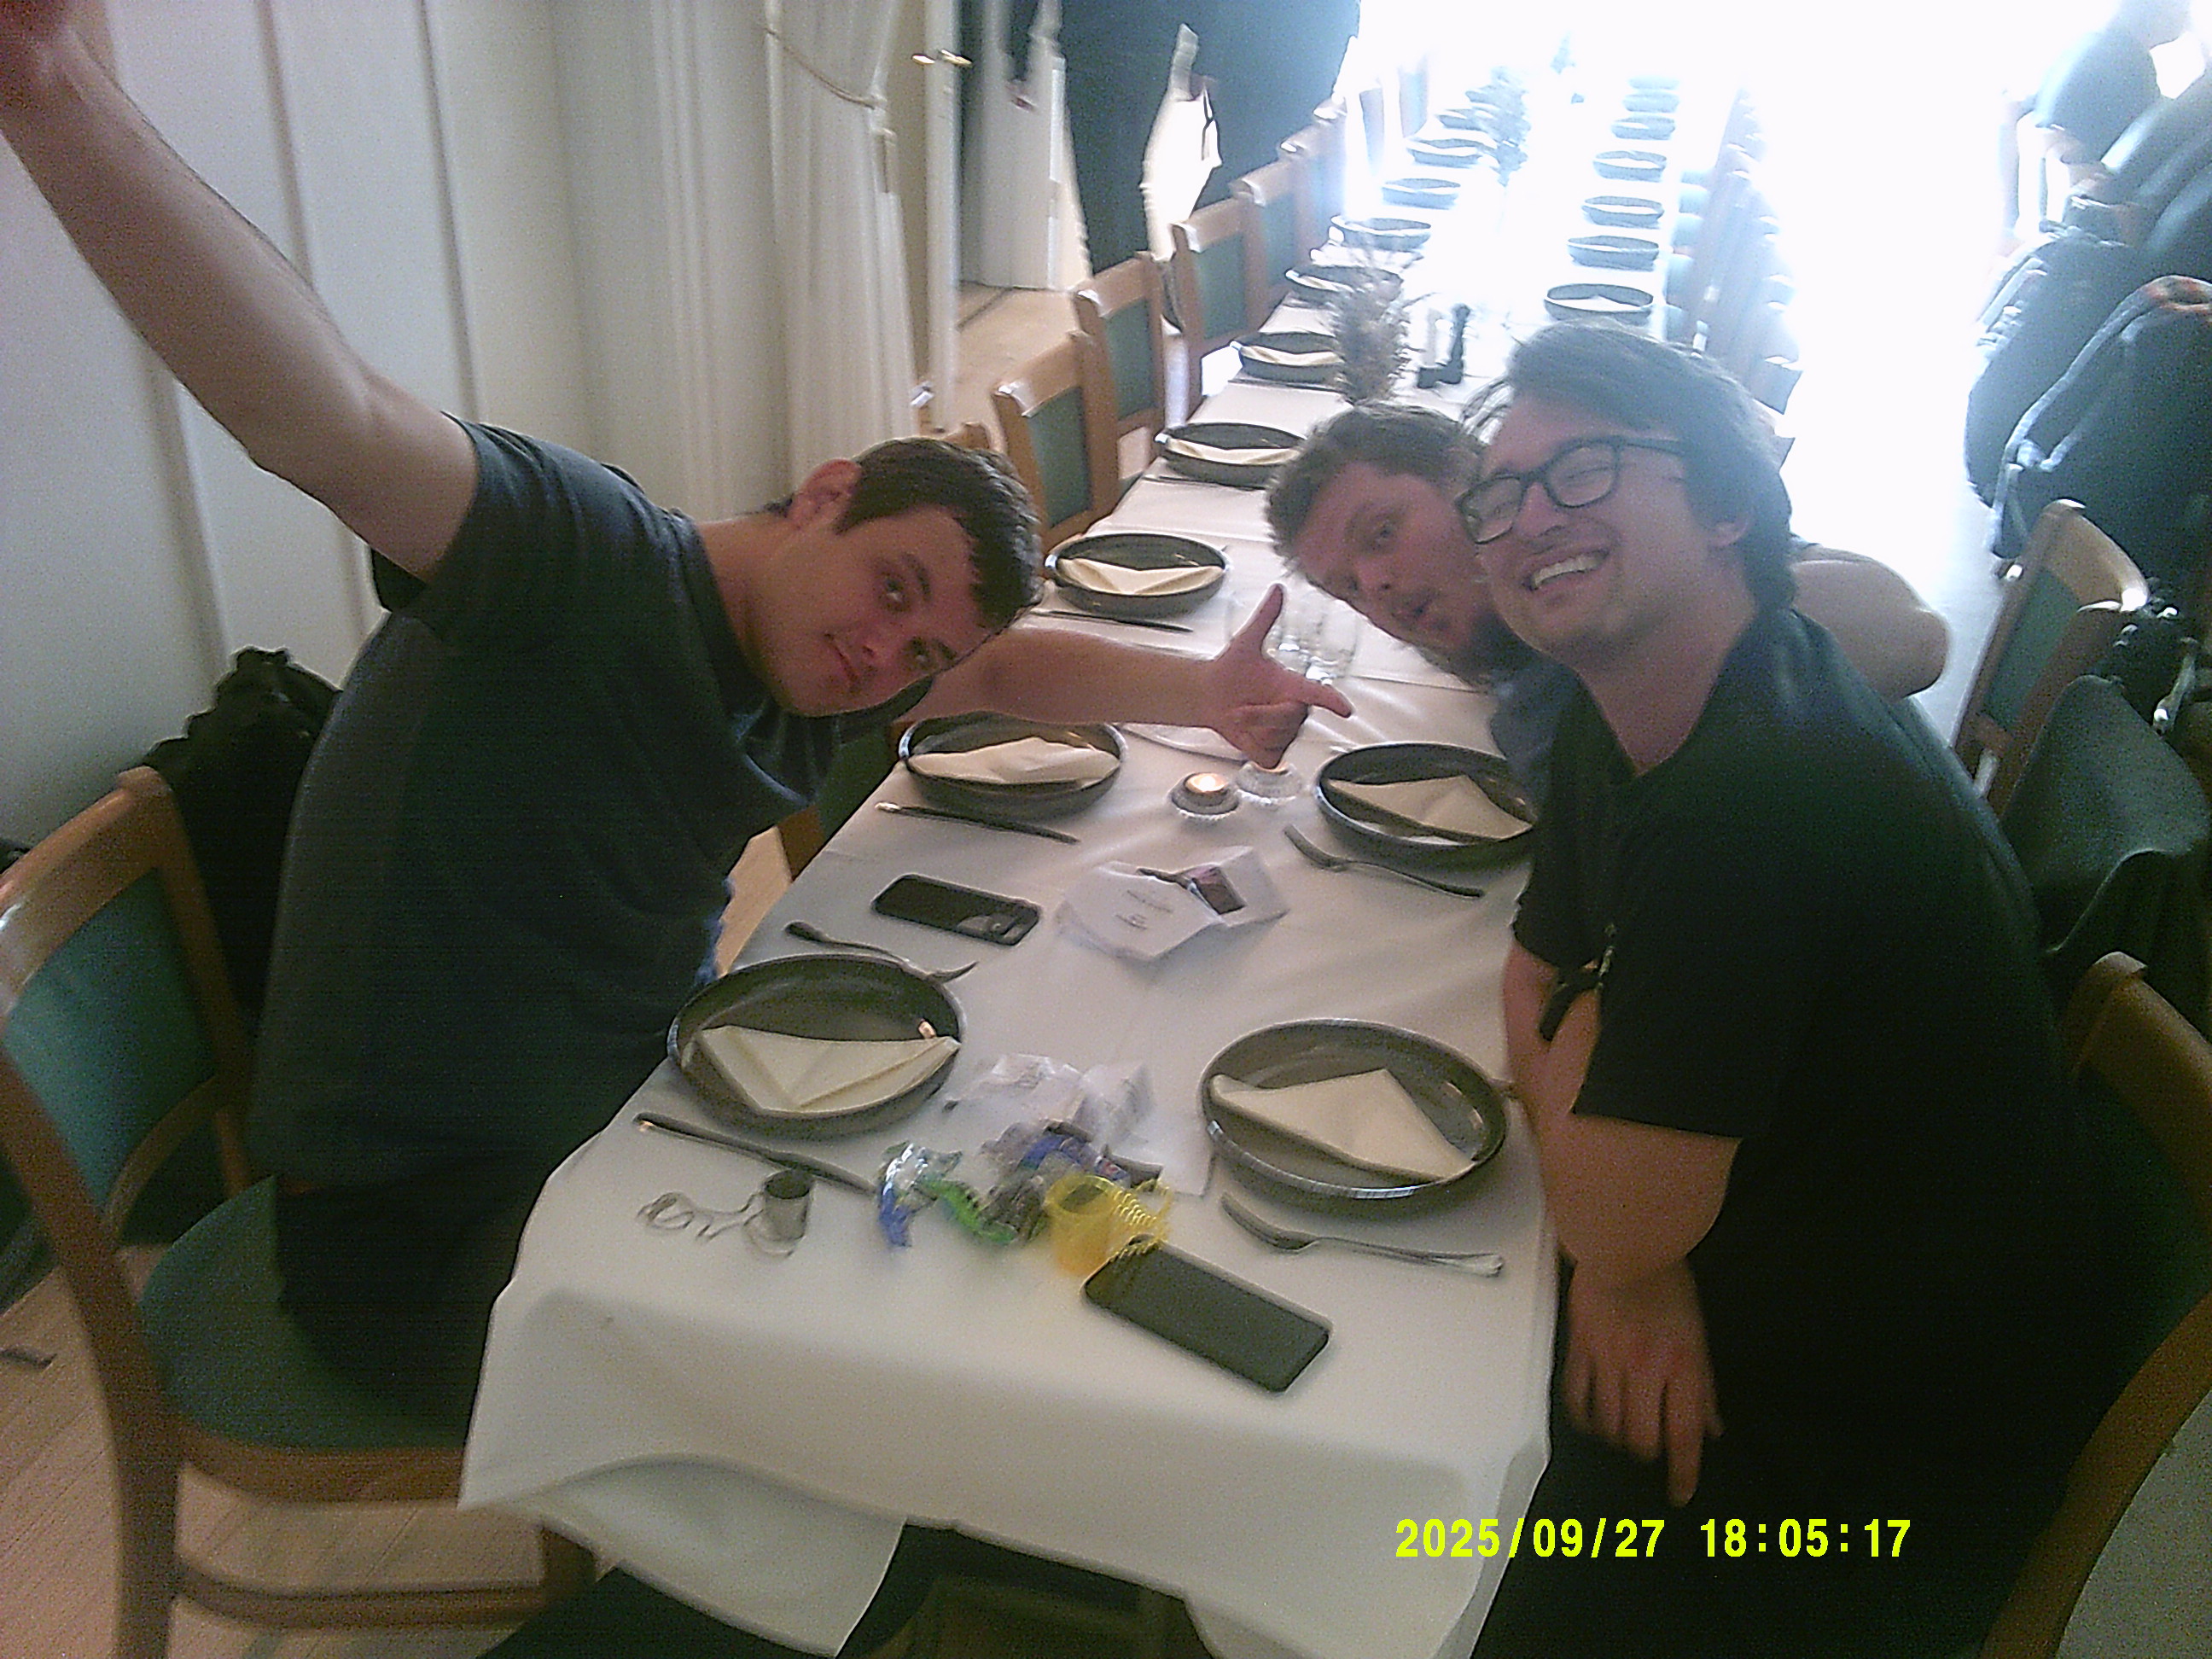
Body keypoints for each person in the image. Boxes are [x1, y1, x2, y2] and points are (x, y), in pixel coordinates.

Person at [0, 0, 1348, 1431]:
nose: (883, 655)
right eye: (892, 589)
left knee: (991, 1250)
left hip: (630, 1122)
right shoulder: (580, 562)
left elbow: (1010, 673)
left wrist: (1205, 694)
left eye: (920, 648)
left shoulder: (810, 662)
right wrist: (57, 98)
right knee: (899, 1395)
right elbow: (323, 417)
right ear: (823, 493)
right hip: (414, 1236)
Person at [1453, 324, 2112, 1657]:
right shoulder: (1633, 704)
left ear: (1727, 508)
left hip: (1857, 1489)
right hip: (1774, 1299)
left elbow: (1613, 1217)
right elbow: (1532, 970)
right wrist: (1628, 1251)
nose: (1532, 519)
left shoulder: (1755, 798)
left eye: (1583, 470)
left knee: (1432, 1526)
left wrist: (1628, 1257)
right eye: (1501, 497)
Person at [1264, 400, 1952, 800]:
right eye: (1346, 587)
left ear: (1474, 478)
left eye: (1382, 533)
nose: (1374, 586)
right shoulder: (1505, 643)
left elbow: (1913, 637)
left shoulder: (1614, 567)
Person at [1004, 0, 1185, 273]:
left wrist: (1018, 57)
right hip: (1152, 46)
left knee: (1100, 192)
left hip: (1096, 48)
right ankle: (1144, 292)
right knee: (1126, 183)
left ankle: (1117, 296)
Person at [1185, 0, 1359, 208]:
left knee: (1254, 163)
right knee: (1279, 158)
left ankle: (1224, 222)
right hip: (1298, 42)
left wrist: (1207, 61)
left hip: (1264, 51)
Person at [2034, 0, 2196, 175]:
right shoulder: (2128, 62)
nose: (2187, 16)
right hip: (2101, 179)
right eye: (2182, 6)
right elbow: (2157, 140)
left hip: (2067, 181)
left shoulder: (2089, 45)